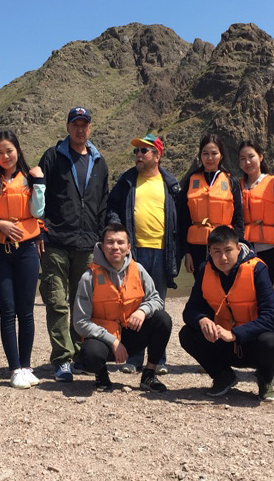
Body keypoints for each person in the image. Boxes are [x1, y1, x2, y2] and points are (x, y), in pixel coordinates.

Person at [38, 107, 109, 382]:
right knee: (57, 301)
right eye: (75, 124)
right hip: (56, 241)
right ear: (67, 127)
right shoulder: (53, 156)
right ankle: (62, 359)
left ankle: (80, 355)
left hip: (87, 244)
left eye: (84, 124)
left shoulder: (98, 162)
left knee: (83, 304)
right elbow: (39, 194)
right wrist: (41, 231)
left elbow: (103, 202)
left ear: (89, 128)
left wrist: (100, 236)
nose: (80, 129)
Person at [179, 226, 274, 401]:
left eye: (228, 250)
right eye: (217, 252)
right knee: (187, 334)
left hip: (252, 342)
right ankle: (223, 376)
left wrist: (234, 334)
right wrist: (202, 319)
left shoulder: (257, 269)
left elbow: (270, 318)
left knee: (271, 343)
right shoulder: (205, 270)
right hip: (223, 342)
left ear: (238, 248)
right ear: (210, 252)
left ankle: (266, 377)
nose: (223, 257)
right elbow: (190, 310)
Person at [106, 132, 180, 374]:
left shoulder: (170, 184)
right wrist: (117, 230)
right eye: (136, 151)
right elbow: (112, 207)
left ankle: (158, 360)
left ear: (157, 156)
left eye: (143, 151)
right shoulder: (127, 180)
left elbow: (180, 218)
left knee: (158, 304)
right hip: (134, 251)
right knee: (133, 303)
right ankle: (134, 358)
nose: (138, 155)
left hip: (162, 251)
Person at [73, 223, 171, 393]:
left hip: (131, 333)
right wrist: (113, 341)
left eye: (120, 242)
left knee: (163, 319)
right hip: (103, 339)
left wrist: (142, 311)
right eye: (110, 242)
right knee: (90, 354)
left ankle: (149, 374)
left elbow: (156, 300)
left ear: (128, 247)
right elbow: (80, 322)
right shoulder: (89, 277)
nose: (115, 247)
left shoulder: (138, 270)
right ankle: (101, 374)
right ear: (102, 246)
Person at [0, 130, 45, 389]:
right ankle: (14, 368)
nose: (5, 156)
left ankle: (26, 365)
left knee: (26, 310)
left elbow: (38, 211)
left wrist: (40, 182)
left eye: (9, 151)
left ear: (17, 151)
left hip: (27, 250)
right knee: (7, 311)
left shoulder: (29, 178)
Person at [178, 134, 244, 275]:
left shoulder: (231, 181)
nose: (209, 158)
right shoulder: (191, 180)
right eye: (205, 153)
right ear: (200, 156)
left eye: (214, 153)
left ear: (221, 156)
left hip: (224, 247)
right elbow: (183, 220)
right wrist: (187, 253)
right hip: (196, 248)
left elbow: (238, 219)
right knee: (201, 284)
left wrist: (237, 246)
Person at [238, 140, 274, 285]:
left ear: (260, 157)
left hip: (270, 250)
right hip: (245, 250)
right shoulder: (237, 186)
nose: (247, 162)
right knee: (247, 292)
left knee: (265, 290)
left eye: (251, 156)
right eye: (243, 159)